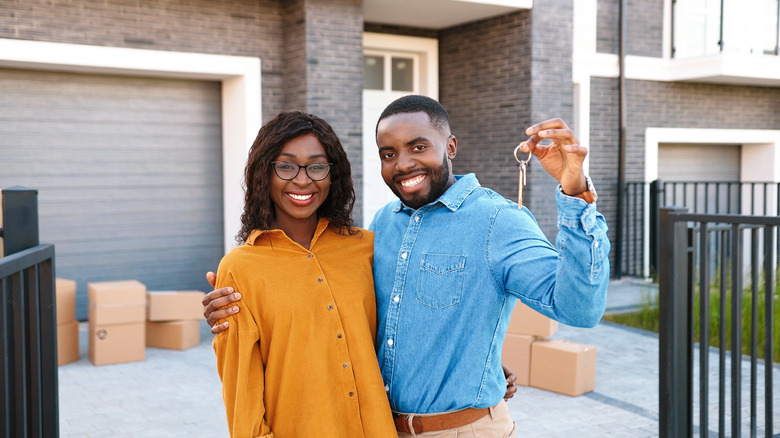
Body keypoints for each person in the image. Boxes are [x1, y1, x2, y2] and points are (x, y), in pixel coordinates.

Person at [206, 95, 610, 437]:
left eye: (419, 147)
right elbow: (373, 321)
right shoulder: (381, 227)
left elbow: (578, 309)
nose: (403, 164)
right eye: (389, 153)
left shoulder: (497, 221)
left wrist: (574, 193)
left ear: (450, 146)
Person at [211, 111, 397, 437]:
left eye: (316, 166)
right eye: (285, 166)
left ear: (331, 175)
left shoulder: (367, 249)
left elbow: (410, 329)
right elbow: (243, 399)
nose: (302, 179)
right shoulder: (239, 269)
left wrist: (484, 364)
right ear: (263, 174)